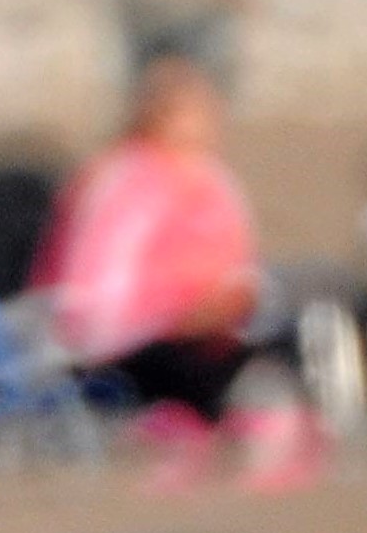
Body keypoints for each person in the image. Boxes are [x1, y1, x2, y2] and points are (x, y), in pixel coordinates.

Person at [33, 53, 276, 424]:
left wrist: (229, 304)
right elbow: (93, 301)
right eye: (194, 111)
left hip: (207, 336)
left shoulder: (213, 181)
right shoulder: (123, 181)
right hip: (124, 350)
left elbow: (242, 271)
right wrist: (179, 317)